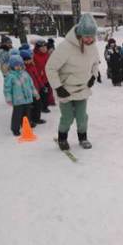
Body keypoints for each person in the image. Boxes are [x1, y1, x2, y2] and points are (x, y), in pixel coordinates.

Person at [46, 14, 102, 151]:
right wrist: (58, 87)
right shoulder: (66, 47)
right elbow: (50, 68)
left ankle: (83, 137)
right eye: (87, 37)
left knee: (82, 117)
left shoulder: (92, 46)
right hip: (65, 89)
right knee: (68, 117)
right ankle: (62, 138)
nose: (90, 40)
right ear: (80, 34)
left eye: (92, 36)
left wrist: (93, 76)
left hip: (82, 89)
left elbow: (96, 63)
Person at [3, 55, 38, 136]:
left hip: (27, 99)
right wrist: (8, 99)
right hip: (18, 100)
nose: (18, 67)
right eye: (16, 65)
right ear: (12, 66)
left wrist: (35, 93)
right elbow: (7, 89)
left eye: (20, 65)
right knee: (17, 115)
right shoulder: (10, 76)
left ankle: (26, 126)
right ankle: (15, 129)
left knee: (27, 114)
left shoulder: (25, 74)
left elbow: (31, 85)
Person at [21, 48, 47, 126]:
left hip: (36, 89)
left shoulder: (32, 66)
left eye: (29, 59)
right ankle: (29, 121)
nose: (28, 61)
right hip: (28, 91)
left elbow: (37, 77)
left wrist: (42, 86)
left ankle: (36, 118)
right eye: (26, 60)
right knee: (29, 107)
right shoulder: (22, 70)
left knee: (38, 105)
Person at [32, 39, 54, 110]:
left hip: (46, 76)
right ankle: (41, 107)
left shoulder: (46, 54)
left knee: (47, 91)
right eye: (42, 47)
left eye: (45, 47)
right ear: (38, 48)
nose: (44, 48)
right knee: (40, 92)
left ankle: (46, 104)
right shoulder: (34, 55)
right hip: (38, 78)